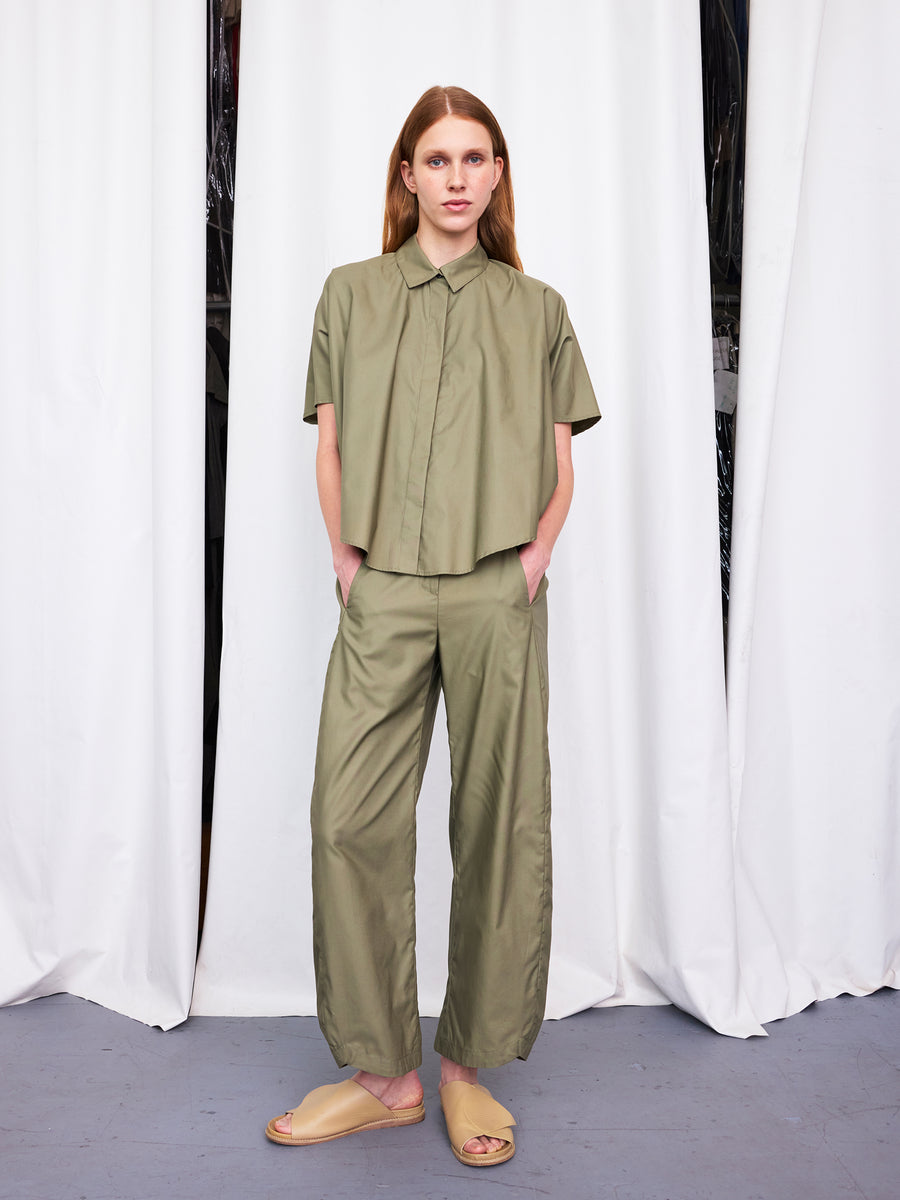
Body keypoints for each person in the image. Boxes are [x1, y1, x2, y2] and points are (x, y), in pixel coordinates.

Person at [265, 84, 600, 1167]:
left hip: (499, 585)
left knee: (500, 821)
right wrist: (347, 561)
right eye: (439, 158)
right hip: (386, 588)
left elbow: (561, 461)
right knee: (347, 817)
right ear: (406, 175)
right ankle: (384, 1076)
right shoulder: (351, 294)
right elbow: (329, 443)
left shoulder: (537, 307)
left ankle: (464, 1069)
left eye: (477, 157)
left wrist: (534, 558)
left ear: (497, 176)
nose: (459, 177)